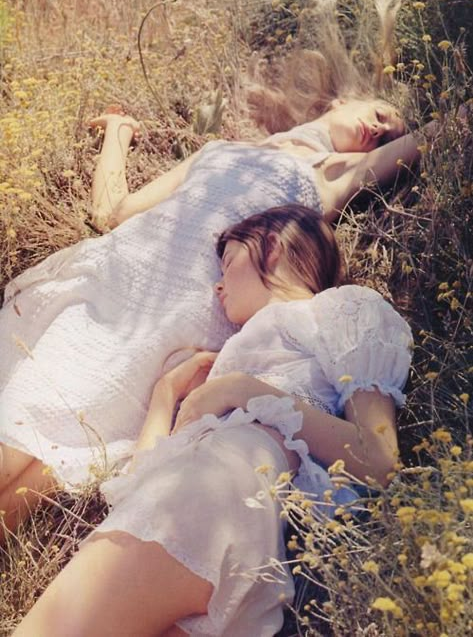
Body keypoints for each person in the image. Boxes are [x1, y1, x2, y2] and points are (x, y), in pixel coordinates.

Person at [0, 0, 433, 540]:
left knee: (49, 468)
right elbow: (112, 212)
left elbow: (421, 142)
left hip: (186, 323)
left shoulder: (322, 186)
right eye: (380, 112)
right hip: (121, 287)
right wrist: (119, 134)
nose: (382, 129)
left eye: (390, 132)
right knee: (22, 416)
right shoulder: (218, 150)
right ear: (343, 98)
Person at [12, 205, 413, 636]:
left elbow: (379, 459)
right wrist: (165, 397)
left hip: (216, 497)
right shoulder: (234, 359)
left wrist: (240, 389)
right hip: (234, 542)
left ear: (272, 247)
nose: (218, 284)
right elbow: (138, 486)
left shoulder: (342, 308)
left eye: (228, 261)